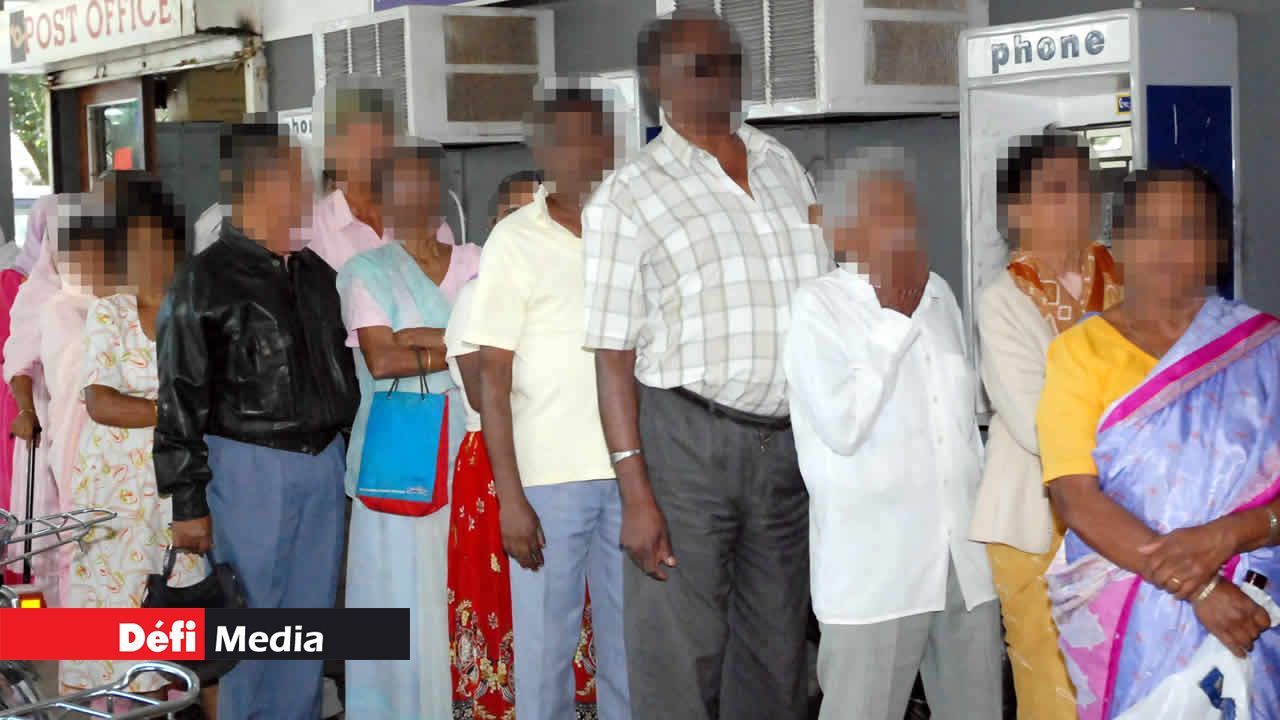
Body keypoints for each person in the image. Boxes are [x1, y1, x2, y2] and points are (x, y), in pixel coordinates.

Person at [583, 11, 829, 719]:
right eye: (698, 65)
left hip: (787, 446)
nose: (719, 76)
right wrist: (635, 493)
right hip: (687, 444)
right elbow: (611, 354)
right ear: (655, 80)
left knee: (778, 652)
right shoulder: (629, 193)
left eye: (728, 61)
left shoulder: (783, 166)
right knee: (679, 654)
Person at [1038, 167, 1280, 719]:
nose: (1166, 248)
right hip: (1132, 614)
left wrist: (1231, 534)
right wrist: (1201, 591)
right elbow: (1074, 496)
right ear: (1118, 245)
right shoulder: (1080, 353)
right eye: (1147, 229)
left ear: (1219, 246)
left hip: (1255, 603)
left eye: (1188, 229)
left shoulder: (1265, 350)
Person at [784, 150, 1000, 719]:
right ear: (842, 228)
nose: (903, 225)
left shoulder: (940, 295)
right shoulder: (818, 308)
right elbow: (842, 425)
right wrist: (893, 323)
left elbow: (963, 432)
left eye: (907, 210)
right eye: (883, 211)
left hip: (963, 562)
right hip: (877, 572)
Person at [155, 123, 360, 720]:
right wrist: (187, 502)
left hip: (322, 464)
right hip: (246, 469)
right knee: (247, 629)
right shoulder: (203, 280)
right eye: (297, 177)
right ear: (258, 184)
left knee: (306, 627)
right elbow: (179, 397)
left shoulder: (317, 275)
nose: (308, 190)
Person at [465, 83, 628, 720]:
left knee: (628, 649)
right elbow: (492, 380)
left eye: (593, 137)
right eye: (565, 139)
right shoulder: (513, 240)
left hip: (628, 473)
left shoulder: (628, 230)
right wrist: (511, 498)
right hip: (547, 483)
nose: (581, 152)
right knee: (545, 653)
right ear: (543, 150)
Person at [969, 133, 1122, 718]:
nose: (1077, 201)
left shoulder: (1131, 280)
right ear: (1019, 209)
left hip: (1129, 515)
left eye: (1085, 186)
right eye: (1057, 189)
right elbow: (1039, 425)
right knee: (1053, 694)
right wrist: (1135, 425)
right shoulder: (1003, 300)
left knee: (1124, 684)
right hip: (1036, 522)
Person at [338, 139, 479, 718]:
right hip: (401, 458)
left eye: (425, 183)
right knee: (397, 596)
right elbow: (383, 360)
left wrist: (423, 339)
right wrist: (460, 346)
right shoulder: (364, 271)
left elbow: (504, 346)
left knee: (463, 588)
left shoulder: (478, 262)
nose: (415, 197)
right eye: (400, 186)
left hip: (475, 448)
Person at [59, 174, 208, 695]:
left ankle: (173, 700)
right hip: (117, 496)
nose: (150, 257)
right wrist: (178, 412)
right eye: (136, 246)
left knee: (182, 607)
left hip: (179, 490)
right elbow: (102, 402)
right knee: (116, 611)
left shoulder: (197, 314)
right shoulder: (111, 313)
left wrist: (167, 413)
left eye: (159, 244)